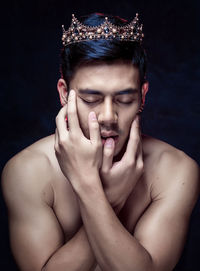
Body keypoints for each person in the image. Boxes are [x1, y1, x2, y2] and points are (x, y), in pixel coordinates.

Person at [1, 12, 199, 271]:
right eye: (91, 99)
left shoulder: (176, 170)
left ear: (142, 96)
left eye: (125, 99)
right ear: (64, 93)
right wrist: (109, 198)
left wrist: (92, 194)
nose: (108, 117)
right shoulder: (28, 171)